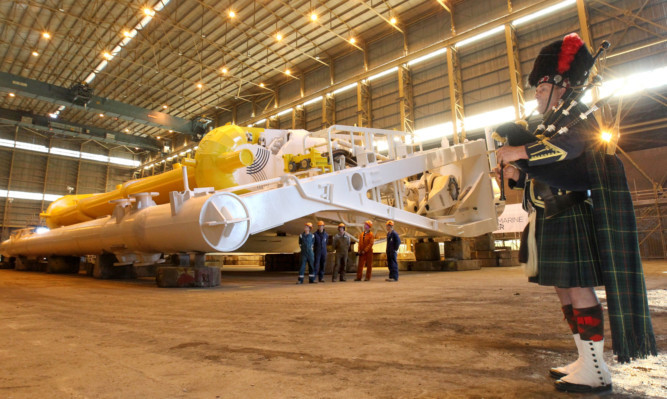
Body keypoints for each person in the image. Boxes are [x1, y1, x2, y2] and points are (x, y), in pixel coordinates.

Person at [494, 33, 655, 393]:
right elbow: (549, 168)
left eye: (540, 86)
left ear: (560, 85)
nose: (535, 92)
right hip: (551, 214)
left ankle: (597, 369)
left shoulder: (577, 118)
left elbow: (568, 149)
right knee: (565, 290)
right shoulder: (552, 122)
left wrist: (521, 150)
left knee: (578, 288)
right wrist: (518, 172)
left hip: (570, 213)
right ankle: (585, 358)